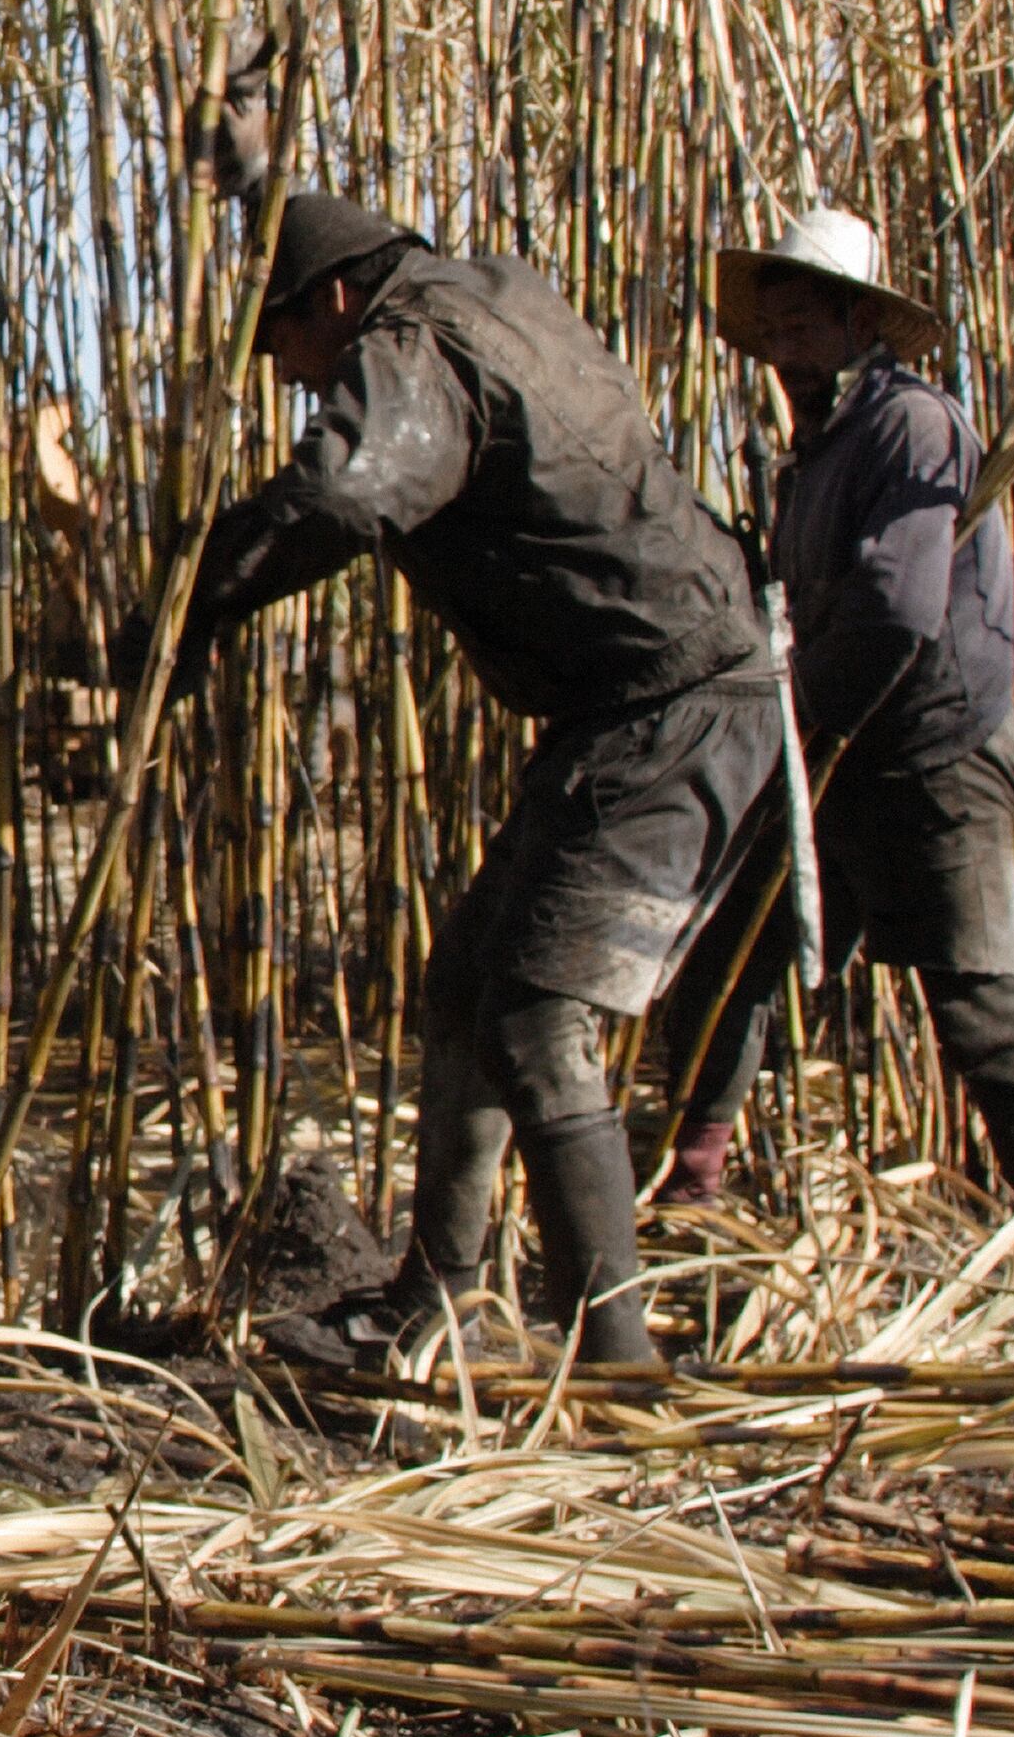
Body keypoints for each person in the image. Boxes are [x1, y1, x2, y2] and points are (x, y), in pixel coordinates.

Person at [133, 188, 781, 1376]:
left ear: (331, 296)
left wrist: (200, 602)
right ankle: (437, 1299)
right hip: (629, 704)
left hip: (670, 706)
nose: (287, 376)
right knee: (466, 983)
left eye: (280, 340)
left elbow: (342, 493)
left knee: (536, 1018)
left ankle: (614, 1350)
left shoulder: (413, 340)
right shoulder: (490, 291)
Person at [650, 212, 1014, 1261]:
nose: (786, 341)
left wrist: (806, 712)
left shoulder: (912, 426)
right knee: (729, 958)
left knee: (974, 1000)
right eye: (776, 323)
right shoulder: (809, 452)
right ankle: (690, 1186)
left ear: (858, 318)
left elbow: (897, 607)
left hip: (936, 751)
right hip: (836, 755)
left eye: (805, 317)